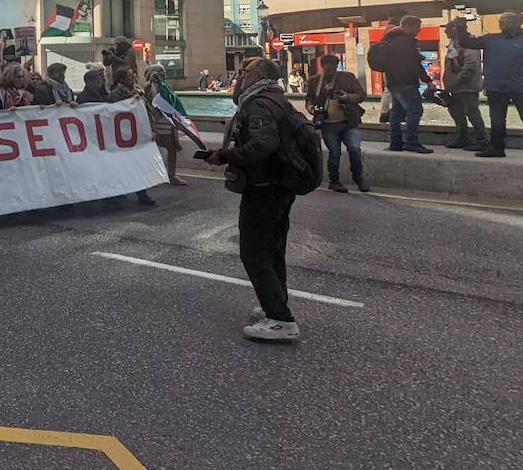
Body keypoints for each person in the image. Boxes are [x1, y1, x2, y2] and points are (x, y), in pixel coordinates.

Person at [207, 56, 301, 343]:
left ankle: (280, 320)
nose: (240, 77)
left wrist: (226, 155)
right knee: (273, 249)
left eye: (245, 73)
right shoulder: (276, 99)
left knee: (254, 251)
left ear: (258, 75)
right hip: (279, 185)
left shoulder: (258, 103)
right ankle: (274, 305)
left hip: (263, 186)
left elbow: (263, 143)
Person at [454, 12, 523, 163]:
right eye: (501, 20)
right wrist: (461, 27)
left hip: (522, 88)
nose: (502, 22)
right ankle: (497, 148)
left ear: (518, 22)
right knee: (497, 120)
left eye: (506, 19)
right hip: (496, 87)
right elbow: (467, 43)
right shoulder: (491, 39)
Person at [368, 15, 432, 154]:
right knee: (415, 110)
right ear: (408, 26)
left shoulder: (390, 39)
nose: (418, 31)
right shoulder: (406, 41)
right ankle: (411, 142)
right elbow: (414, 63)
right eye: (417, 27)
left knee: (396, 112)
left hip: (392, 82)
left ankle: (395, 143)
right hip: (406, 81)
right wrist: (427, 80)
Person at [305, 54, 369, 194]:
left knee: (354, 150)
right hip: (328, 124)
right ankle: (334, 181)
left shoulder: (348, 77)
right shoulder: (316, 81)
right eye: (327, 69)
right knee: (334, 153)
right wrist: (311, 108)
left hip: (348, 122)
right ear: (323, 67)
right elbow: (309, 99)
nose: (330, 71)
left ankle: (359, 179)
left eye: (333, 68)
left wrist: (347, 97)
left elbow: (361, 95)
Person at [106, 66, 156, 207]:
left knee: (138, 164)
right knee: (124, 165)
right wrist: (131, 101)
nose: (133, 78)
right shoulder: (116, 94)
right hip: (124, 136)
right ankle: (121, 194)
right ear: (122, 79)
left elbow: (145, 112)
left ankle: (141, 193)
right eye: (129, 76)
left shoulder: (136, 91)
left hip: (135, 135)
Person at [440, 20, 487, 151]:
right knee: (456, 112)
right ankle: (462, 137)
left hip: (466, 86)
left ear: (456, 29)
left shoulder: (468, 43)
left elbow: (471, 65)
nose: (445, 31)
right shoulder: (453, 44)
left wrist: (457, 81)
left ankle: (482, 140)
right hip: (455, 87)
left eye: (448, 28)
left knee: (472, 112)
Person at [143, 65, 186, 186]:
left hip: (167, 123)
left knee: (172, 147)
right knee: (159, 149)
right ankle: (157, 175)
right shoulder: (150, 86)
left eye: (164, 71)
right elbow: (146, 98)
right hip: (157, 123)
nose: (164, 73)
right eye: (161, 71)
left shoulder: (164, 86)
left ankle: (171, 175)